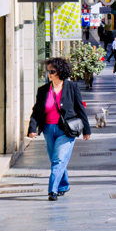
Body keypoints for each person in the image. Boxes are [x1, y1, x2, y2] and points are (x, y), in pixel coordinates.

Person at [27, 57, 92, 200]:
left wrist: (86, 130)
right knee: (56, 160)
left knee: (58, 160)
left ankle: (53, 190)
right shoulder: (43, 90)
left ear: (60, 72)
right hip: (49, 130)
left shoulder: (72, 87)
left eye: (52, 71)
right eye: (48, 71)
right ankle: (63, 185)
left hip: (66, 130)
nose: (49, 74)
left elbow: (80, 109)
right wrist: (32, 128)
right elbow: (37, 111)